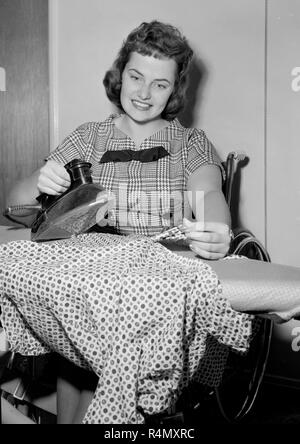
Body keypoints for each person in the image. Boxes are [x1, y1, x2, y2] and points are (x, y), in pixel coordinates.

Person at [5, 20, 232, 423]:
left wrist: (217, 229)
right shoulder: (89, 137)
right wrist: (40, 182)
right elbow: (14, 203)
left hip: (151, 288)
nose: (144, 93)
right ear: (120, 75)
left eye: (160, 84)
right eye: (135, 77)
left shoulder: (190, 143)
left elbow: (209, 193)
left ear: (175, 89)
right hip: (91, 286)